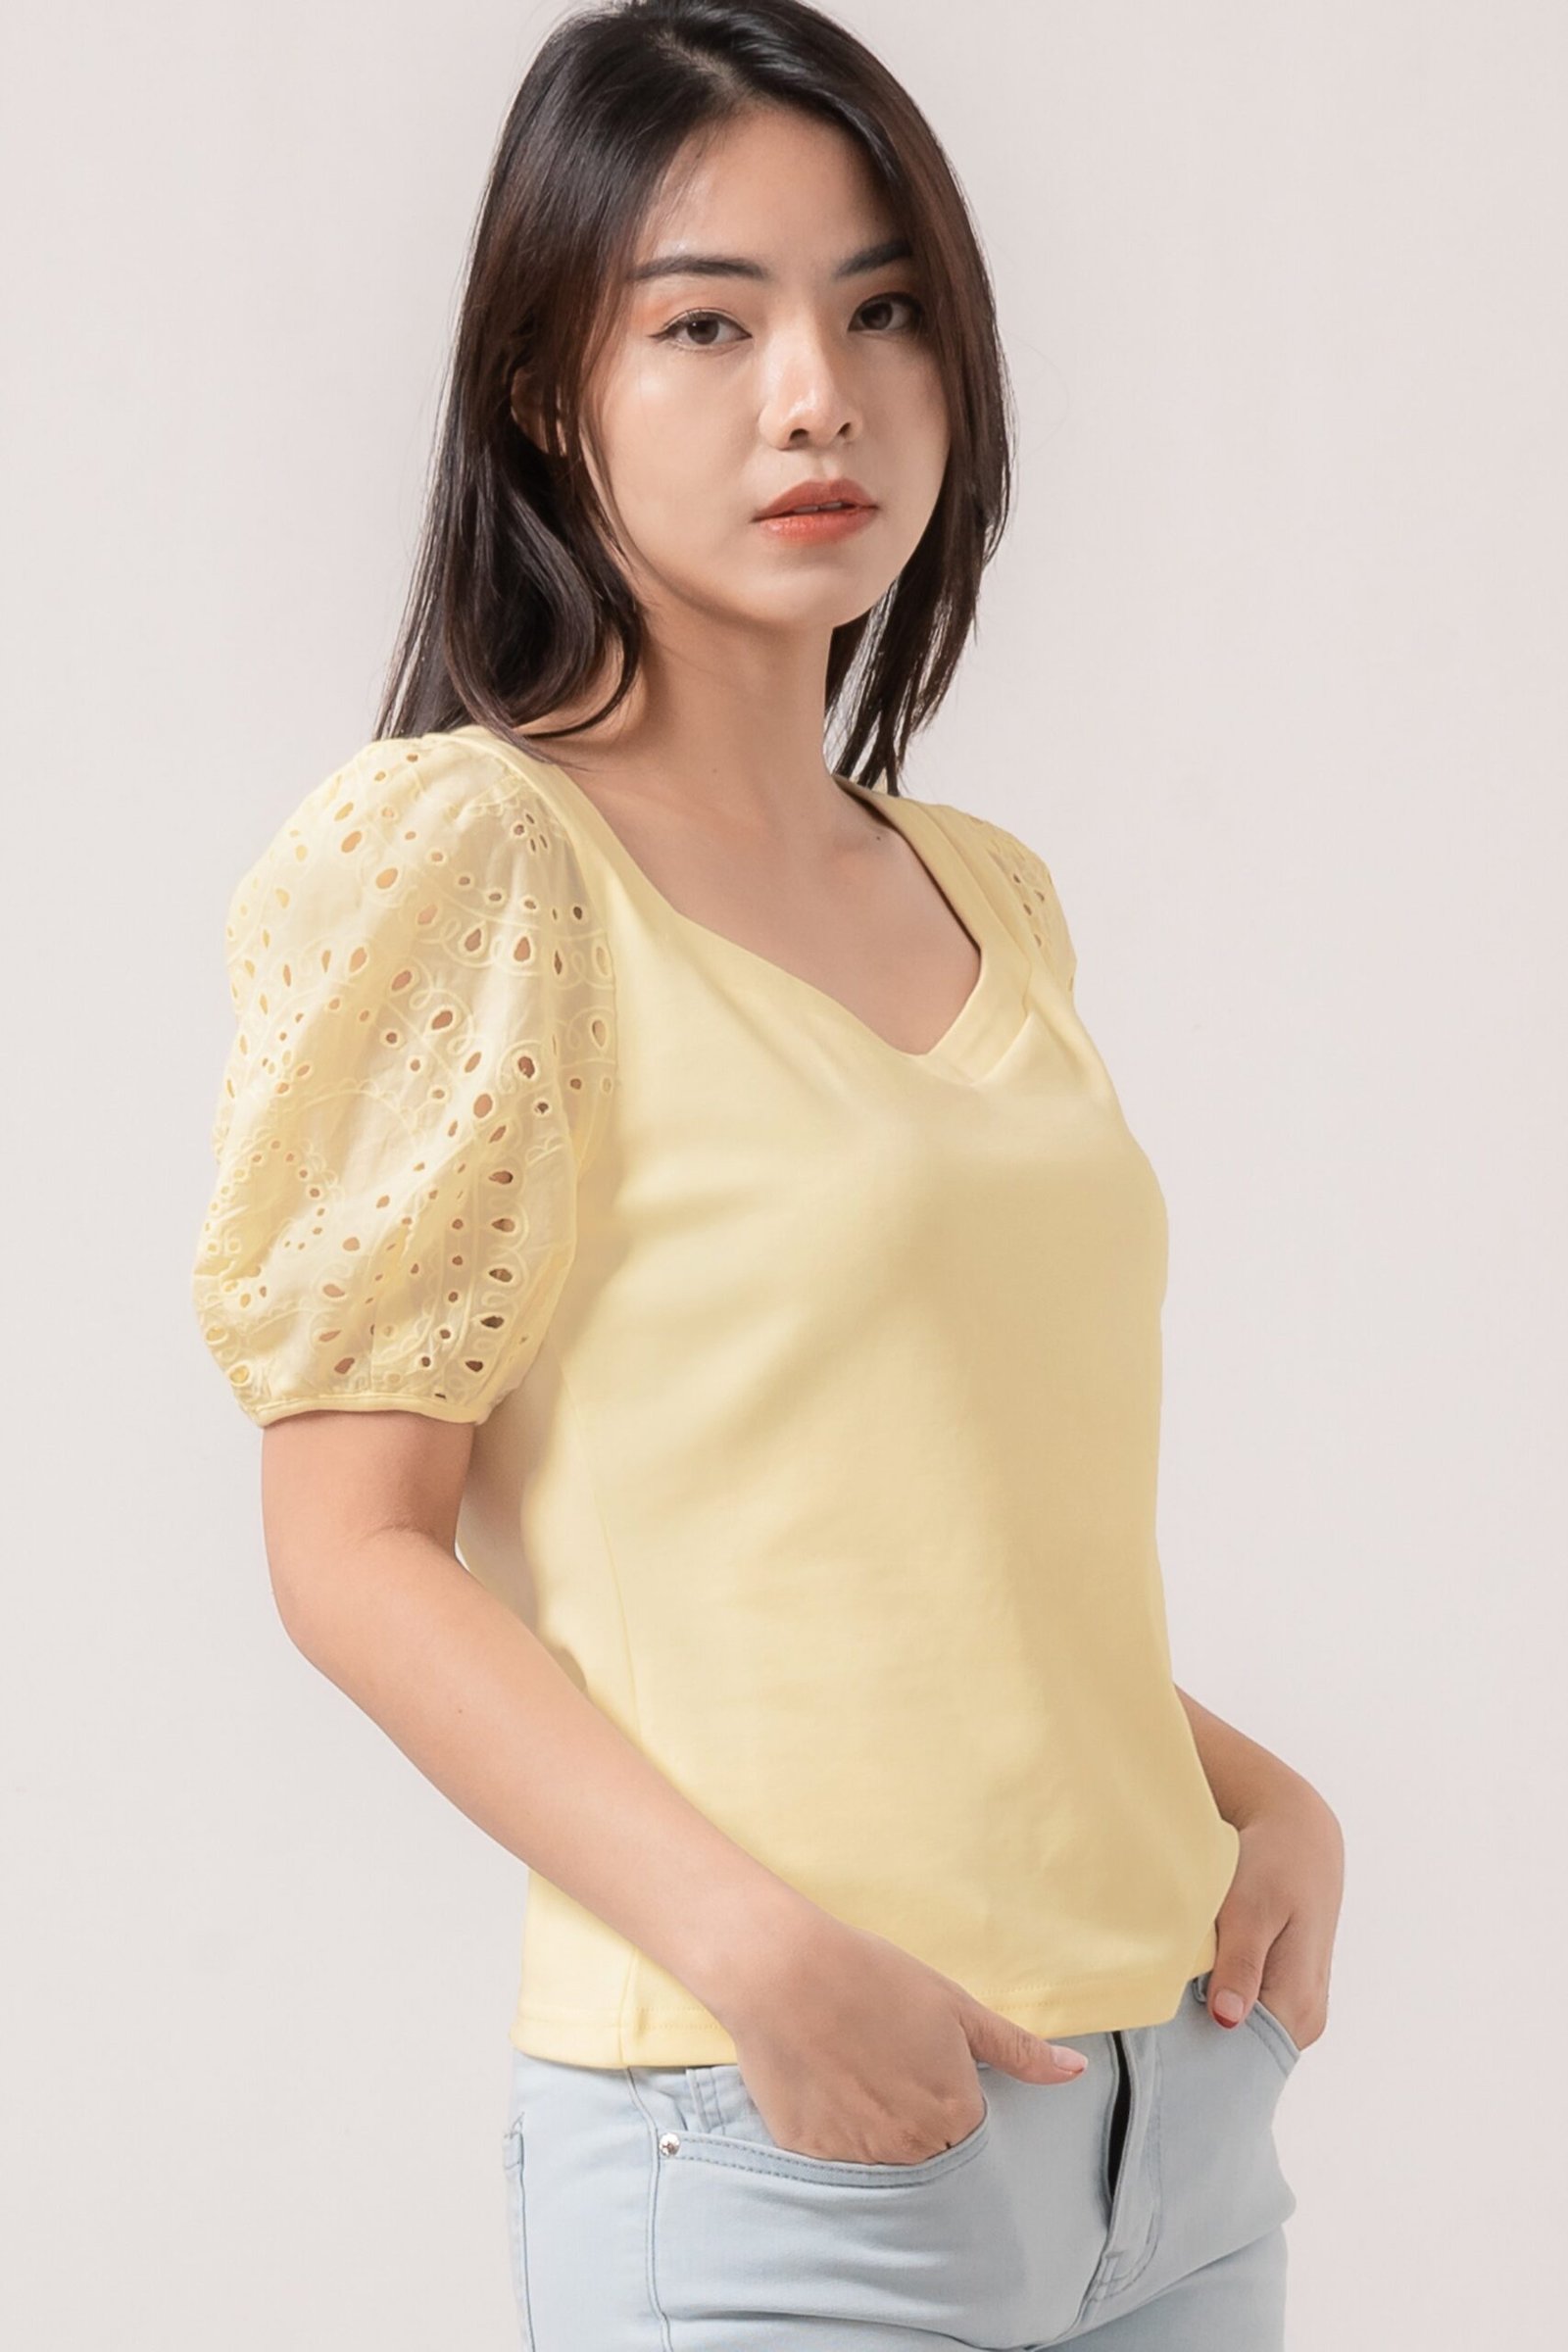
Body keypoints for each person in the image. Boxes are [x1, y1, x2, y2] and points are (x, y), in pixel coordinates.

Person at [191, 3, 1345, 2345]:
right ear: (547, 386)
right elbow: (351, 1548)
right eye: (705, 323)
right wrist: (760, 1957)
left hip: (1177, 2126)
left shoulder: (982, 890)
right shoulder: (472, 860)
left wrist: (1261, 1799)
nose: (815, 396)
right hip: (791, 2137)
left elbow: (915, 1540)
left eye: (881, 309)